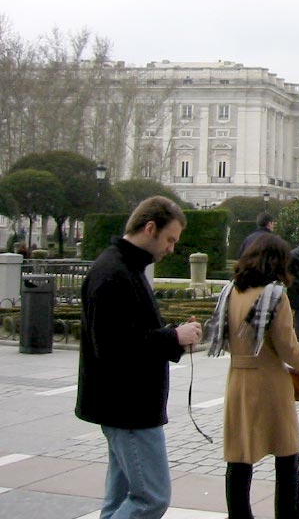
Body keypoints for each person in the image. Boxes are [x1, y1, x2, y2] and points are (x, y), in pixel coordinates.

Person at [76, 196, 204, 519]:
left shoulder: (123, 266)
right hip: (128, 407)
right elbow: (114, 347)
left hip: (125, 405)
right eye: (170, 239)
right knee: (152, 498)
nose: (172, 248)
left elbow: (131, 332)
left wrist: (172, 335)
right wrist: (173, 337)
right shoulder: (113, 272)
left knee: (118, 501)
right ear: (150, 228)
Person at [208, 234, 299, 519]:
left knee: (238, 458)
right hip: (270, 382)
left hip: (238, 378)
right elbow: (287, 347)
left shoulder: (231, 290)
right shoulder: (275, 295)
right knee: (286, 458)